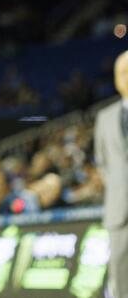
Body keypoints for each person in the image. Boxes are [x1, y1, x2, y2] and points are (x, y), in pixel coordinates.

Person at [94, 51, 128, 298]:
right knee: (120, 274)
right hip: (119, 212)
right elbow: (103, 162)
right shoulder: (104, 117)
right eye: (123, 72)